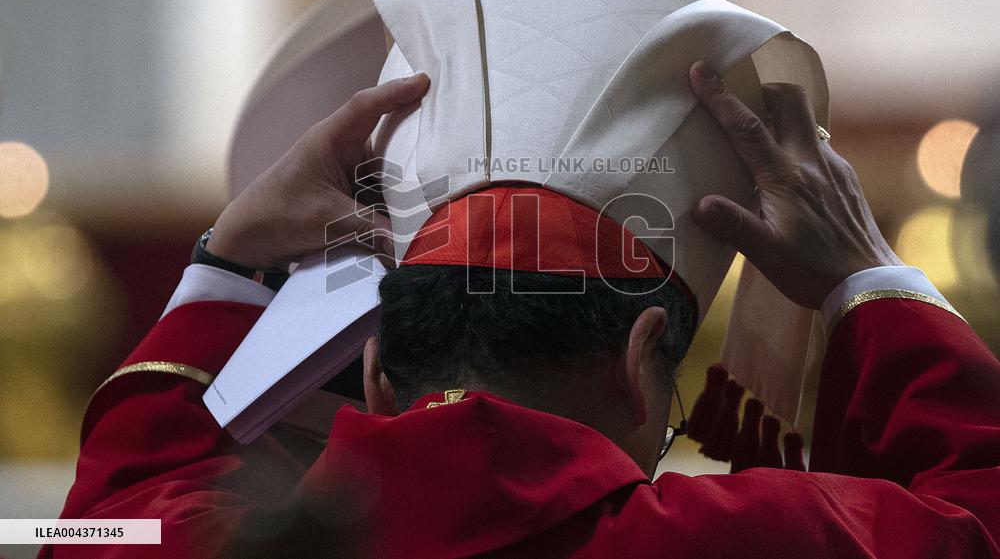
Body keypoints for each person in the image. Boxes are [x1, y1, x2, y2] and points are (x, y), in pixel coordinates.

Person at [45, 65, 1000, 558]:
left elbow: (101, 520)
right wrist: (871, 278)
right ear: (640, 362)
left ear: (378, 372)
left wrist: (227, 262)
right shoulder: (753, 541)